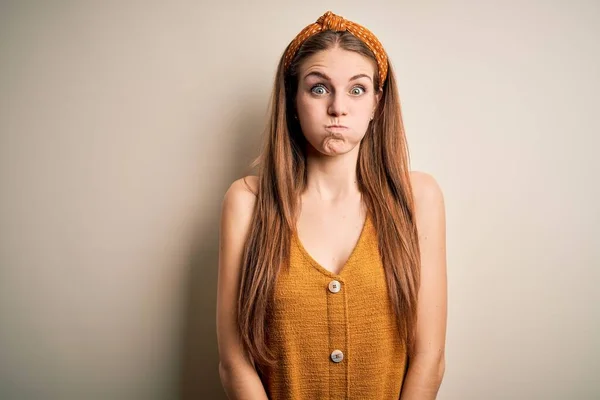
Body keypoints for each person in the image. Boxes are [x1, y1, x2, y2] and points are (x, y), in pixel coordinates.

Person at [216, 10, 447, 400]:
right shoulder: (247, 202)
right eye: (319, 88)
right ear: (293, 99)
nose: (338, 107)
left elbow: (430, 358)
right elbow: (234, 360)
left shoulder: (418, 198)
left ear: (377, 102)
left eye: (357, 89)